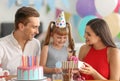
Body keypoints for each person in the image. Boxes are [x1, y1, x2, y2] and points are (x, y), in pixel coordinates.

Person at [0, 6, 41, 75]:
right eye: (34, 27)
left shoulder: (36, 44)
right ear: (21, 26)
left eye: (38, 27)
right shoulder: (2, 45)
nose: (37, 32)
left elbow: (36, 71)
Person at [40, 11, 75, 78]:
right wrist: (53, 70)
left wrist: (72, 70)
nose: (62, 40)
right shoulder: (46, 48)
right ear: (52, 35)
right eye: (59, 37)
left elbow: (69, 68)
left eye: (65, 38)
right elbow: (41, 68)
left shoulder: (68, 50)